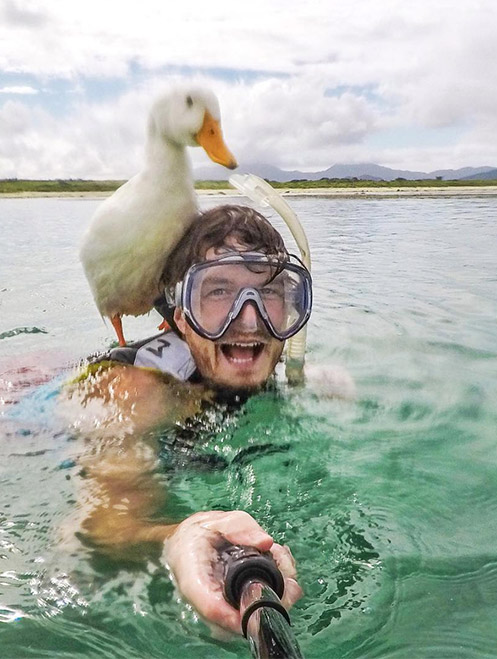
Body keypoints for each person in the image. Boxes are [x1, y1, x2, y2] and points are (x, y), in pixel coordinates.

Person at [61, 205, 312, 635]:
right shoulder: (136, 391)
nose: (250, 319)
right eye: (218, 291)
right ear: (181, 316)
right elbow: (98, 527)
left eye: (268, 292)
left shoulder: (286, 378)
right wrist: (179, 536)